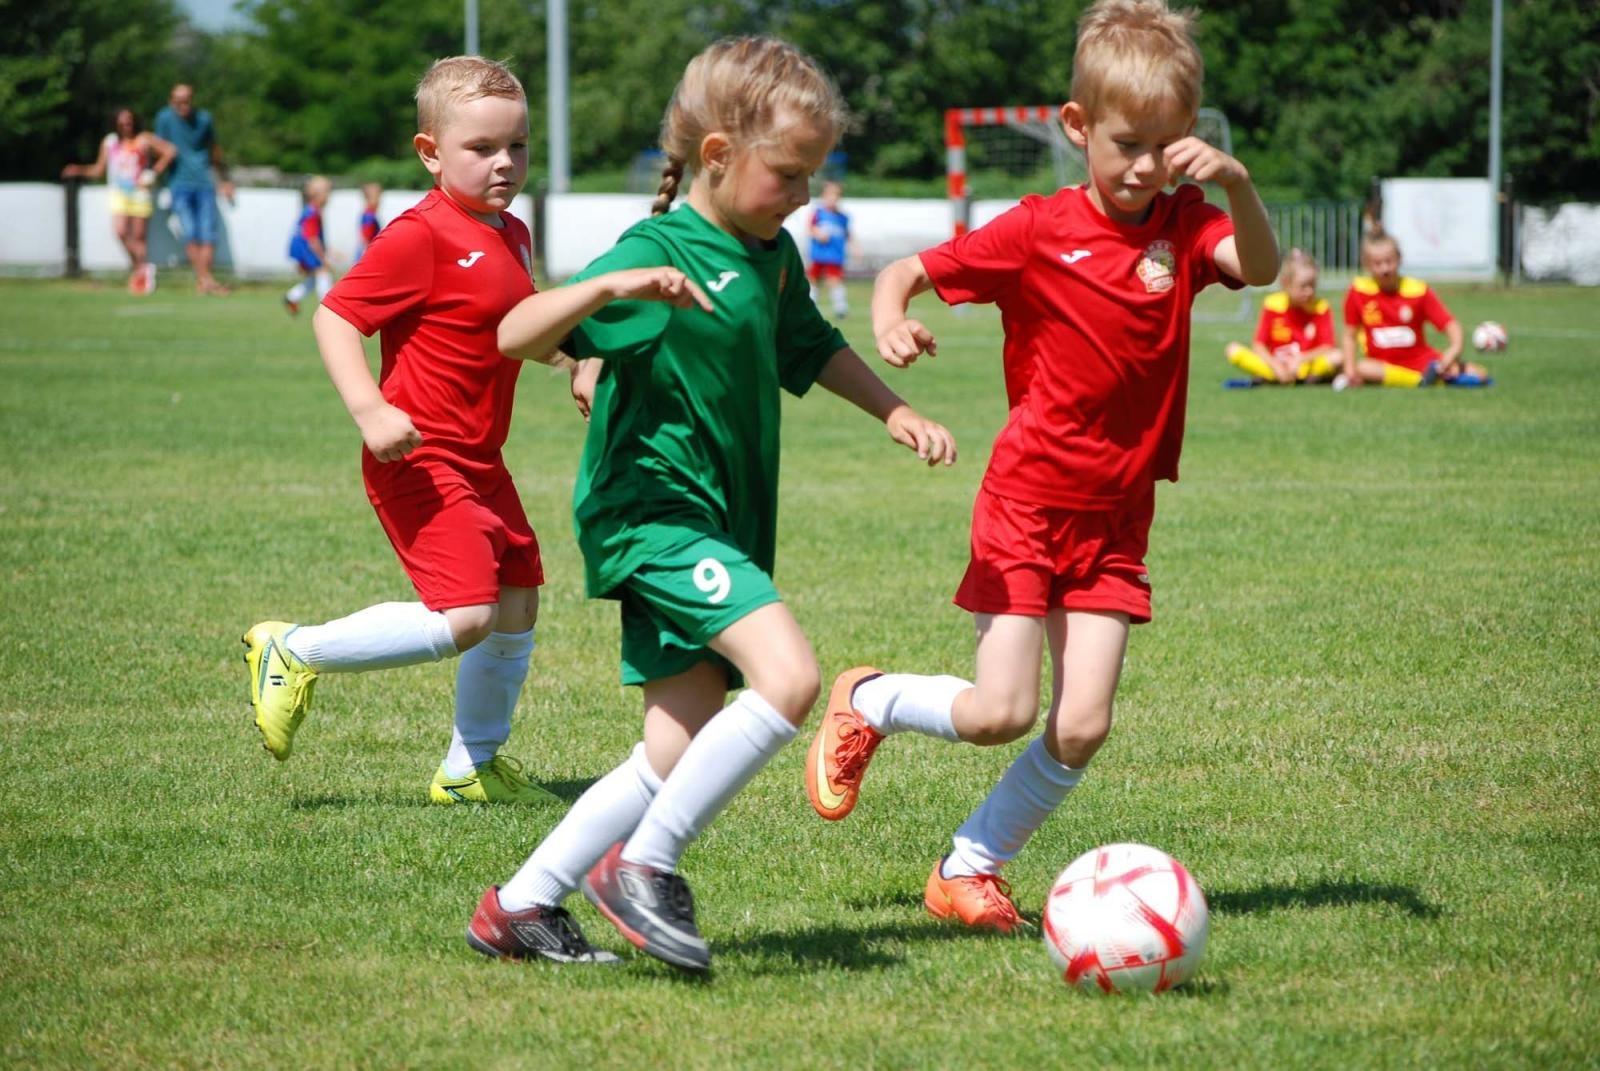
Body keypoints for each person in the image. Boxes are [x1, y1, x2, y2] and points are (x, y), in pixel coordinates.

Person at [466, 36, 957, 970]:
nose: (803, 194)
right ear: (720, 155)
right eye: (789, 172)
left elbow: (809, 345)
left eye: (811, 174)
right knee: (791, 677)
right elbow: (515, 333)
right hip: (654, 516)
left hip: (719, 524)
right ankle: (645, 865)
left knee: (674, 748)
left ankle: (518, 905)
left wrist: (895, 410)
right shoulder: (659, 251)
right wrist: (604, 288)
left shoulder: (770, 253)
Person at [806, 0, 1278, 933]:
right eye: (1127, 144)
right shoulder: (1035, 229)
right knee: (1000, 711)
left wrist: (1239, 184)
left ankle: (968, 868)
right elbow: (904, 272)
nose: (1145, 167)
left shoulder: (1186, 223)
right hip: (1026, 501)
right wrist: (890, 319)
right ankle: (870, 698)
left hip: (1119, 513)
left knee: (1083, 723)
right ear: (1076, 127)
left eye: (1167, 146)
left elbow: (1256, 266)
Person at [241, 56, 555, 807]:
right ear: (430, 153)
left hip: (481, 458)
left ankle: (471, 767)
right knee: (469, 615)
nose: (505, 162)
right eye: (482, 148)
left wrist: (578, 358)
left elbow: (517, 327)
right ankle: (294, 648)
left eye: (517, 145)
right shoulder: (421, 234)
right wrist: (370, 409)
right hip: (419, 456)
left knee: (517, 602)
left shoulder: (512, 232)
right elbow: (336, 316)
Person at [1337, 232, 1490, 388]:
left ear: (1399, 259)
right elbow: (1349, 335)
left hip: (1421, 361)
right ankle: (1422, 381)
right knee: (1362, 367)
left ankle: (1431, 377)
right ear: (1367, 264)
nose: (1385, 268)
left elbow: (1451, 324)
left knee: (1480, 374)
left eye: (1389, 261)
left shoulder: (1418, 290)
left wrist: (1453, 350)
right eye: (1378, 263)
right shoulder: (1358, 291)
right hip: (1380, 365)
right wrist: (1350, 371)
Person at [60, 107, 177, 295]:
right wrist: (79, 170)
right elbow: (98, 170)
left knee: (139, 236)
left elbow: (170, 151)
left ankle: (141, 275)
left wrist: (153, 173)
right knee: (121, 231)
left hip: (140, 193)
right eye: (122, 122)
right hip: (119, 194)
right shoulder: (110, 142)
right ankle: (141, 268)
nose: (126, 125)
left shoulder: (144, 139)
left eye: (129, 121)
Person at [153, 83, 234, 295]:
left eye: (186, 100)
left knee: (208, 234)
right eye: (178, 101)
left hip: (205, 183)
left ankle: (204, 281)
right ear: (171, 101)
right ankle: (206, 280)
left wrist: (225, 179)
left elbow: (214, 150)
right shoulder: (164, 118)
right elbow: (158, 147)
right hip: (178, 184)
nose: (183, 105)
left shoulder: (204, 119)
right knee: (190, 232)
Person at [1224, 248, 1338, 385]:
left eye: (1313, 285)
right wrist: (1275, 365)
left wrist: (1302, 359)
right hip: (1275, 364)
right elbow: (1259, 345)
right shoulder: (1272, 305)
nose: (1309, 291)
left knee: (1337, 357)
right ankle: (1287, 377)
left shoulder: (1321, 307)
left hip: (1306, 364)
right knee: (1233, 350)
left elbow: (1327, 347)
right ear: (1286, 283)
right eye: (1303, 286)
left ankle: (1275, 378)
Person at [284, 175, 333, 315]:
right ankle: (328, 307)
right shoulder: (312, 212)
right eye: (327, 193)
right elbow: (312, 239)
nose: (329, 197)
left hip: (303, 248)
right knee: (323, 272)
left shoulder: (311, 210)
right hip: (306, 249)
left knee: (314, 278)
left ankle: (292, 297)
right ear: (317, 195)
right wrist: (323, 258)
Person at [807, 179, 853, 317]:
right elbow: (810, 228)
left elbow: (847, 233)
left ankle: (840, 307)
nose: (833, 198)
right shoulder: (818, 213)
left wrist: (855, 246)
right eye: (830, 195)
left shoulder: (843, 217)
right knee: (813, 279)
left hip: (835, 255)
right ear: (823, 196)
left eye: (836, 195)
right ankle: (810, 305)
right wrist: (817, 233)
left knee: (834, 280)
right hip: (819, 254)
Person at [356, 182, 384, 262]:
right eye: (376, 198)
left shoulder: (371, 215)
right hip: (368, 255)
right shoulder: (369, 216)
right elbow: (366, 239)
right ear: (367, 199)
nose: (379, 201)